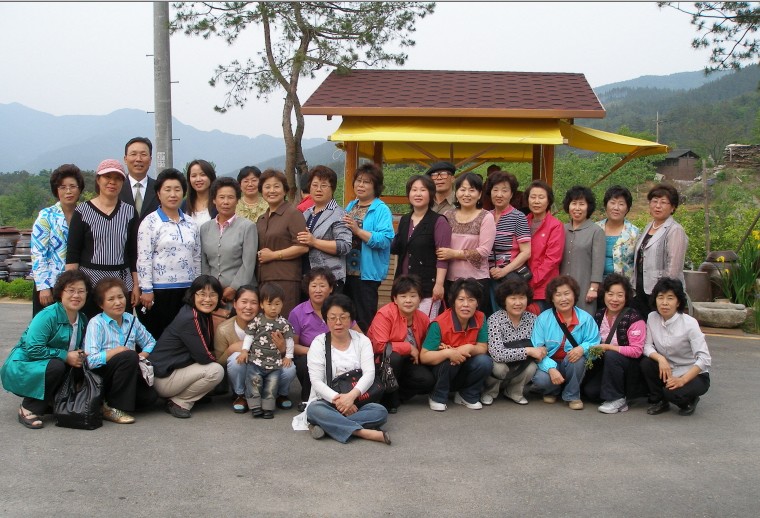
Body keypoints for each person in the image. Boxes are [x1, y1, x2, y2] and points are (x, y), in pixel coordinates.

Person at [1, 270, 90, 429]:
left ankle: (50, 400)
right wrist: (65, 356)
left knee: (80, 364)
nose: (76, 295)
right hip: (24, 365)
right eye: (71, 290)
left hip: (50, 364)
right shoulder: (47, 316)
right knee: (57, 365)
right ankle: (28, 408)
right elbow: (33, 349)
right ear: (61, 292)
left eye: (81, 291)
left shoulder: (82, 319)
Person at [305, 294, 391, 445]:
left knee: (380, 411)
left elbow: (369, 374)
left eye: (343, 317)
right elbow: (316, 381)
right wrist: (340, 401)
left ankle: (326, 425)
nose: (338, 322)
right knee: (314, 409)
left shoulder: (362, 341)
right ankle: (363, 432)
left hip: (358, 400)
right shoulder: (318, 343)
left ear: (351, 319)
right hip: (329, 401)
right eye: (332, 318)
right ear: (326, 320)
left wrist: (351, 397)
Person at [66, 159, 139, 319]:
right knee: (90, 327)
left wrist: (136, 285)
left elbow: (134, 253)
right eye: (107, 177)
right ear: (98, 180)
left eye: (117, 178)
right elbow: (72, 254)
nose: (112, 182)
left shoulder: (130, 212)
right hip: (90, 283)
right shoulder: (82, 211)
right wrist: (72, 288)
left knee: (120, 328)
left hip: (121, 283)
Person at [137, 168, 201, 339]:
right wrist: (146, 289)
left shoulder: (191, 223)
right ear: (159, 193)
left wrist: (196, 288)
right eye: (167, 189)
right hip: (159, 290)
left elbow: (196, 257)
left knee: (183, 335)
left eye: (177, 189)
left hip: (187, 290)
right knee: (159, 335)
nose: (173, 194)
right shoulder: (150, 222)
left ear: (183, 193)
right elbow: (143, 257)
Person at [149, 275, 225, 418]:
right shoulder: (191, 317)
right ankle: (179, 402)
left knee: (213, 367)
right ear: (192, 295)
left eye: (213, 295)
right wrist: (226, 357)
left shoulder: (197, 312)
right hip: (163, 378)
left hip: (171, 373)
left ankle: (191, 395)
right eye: (202, 294)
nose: (207, 299)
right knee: (216, 371)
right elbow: (203, 357)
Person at [83, 278, 158, 424]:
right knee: (127, 356)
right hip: (102, 373)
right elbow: (90, 361)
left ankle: (104, 403)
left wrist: (141, 355)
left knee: (150, 398)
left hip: (125, 372)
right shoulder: (96, 323)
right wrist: (118, 351)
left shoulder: (131, 320)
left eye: (120, 297)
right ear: (101, 304)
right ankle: (114, 407)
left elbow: (150, 342)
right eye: (111, 299)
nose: (118, 302)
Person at [289, 268, 362, 411]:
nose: (318, 290)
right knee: (304, 362)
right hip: (310, 354)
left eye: (322, 285)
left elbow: (360, 336)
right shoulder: (297, 313)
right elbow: (293, 345)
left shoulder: (340, 308)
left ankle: (346, 397)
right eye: (314, 285)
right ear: (307, 288)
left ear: (331, 288)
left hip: (340, 353)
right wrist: (316, 351)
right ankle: (308, 400)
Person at [420, 278, 493, 411]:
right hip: (441, 370)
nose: (466, 304)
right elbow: (424, 356)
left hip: (464, 365)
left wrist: (469, 347)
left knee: (485, 361)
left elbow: (482, 347)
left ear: (477, 303)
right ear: (453, 302)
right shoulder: (439, 323)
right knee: (450, 361)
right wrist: (448, 353)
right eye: (461, 299)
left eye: (471, 300)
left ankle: (467, 395)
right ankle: (437, 396)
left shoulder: (480, 317)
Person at [641, 278, 710, 416]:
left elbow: (704, 359)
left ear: (678, 302)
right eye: (660, 297)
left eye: (670, 298)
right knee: (646, 363)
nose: (664, 303)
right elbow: (647, 346)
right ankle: (660, 401)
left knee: (672, 393)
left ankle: (690, 400)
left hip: (693, 374)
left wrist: (682, 380)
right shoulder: (652, 317)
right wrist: (660, 359)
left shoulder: (690, 323)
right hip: (668, 369)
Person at [530, 275, 601, 410]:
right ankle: (552, 391)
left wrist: (583, 348)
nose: (563, 299)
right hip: (551, 361)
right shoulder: (543, 319)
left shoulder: (586, 319)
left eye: (567, 293)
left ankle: (572, 395)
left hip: (571, 363)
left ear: (574, 295)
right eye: (558, 295)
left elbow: (595, 343)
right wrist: (550, 368)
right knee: (541, 380)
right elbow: (537, 348)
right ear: (552, 298)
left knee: (578, 359)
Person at [367, 275, 435, 413]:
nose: (408, 300)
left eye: (413, 296)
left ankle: (396, 396)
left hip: (408, 362)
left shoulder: (423, 318)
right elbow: (379, 346)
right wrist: (408, 347)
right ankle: (386, 399)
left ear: (420, 299)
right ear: (395, 299)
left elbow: (426, 345)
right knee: (394, 357)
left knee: (427, 380)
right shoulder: (385, 314)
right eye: (403, 296)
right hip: (381, 362)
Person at [583, 273, 646, 414]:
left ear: (626, 297)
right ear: (604, 295)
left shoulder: (634, 318)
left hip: (629, 367)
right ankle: (612, 393)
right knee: (591, 392)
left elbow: (637, 351)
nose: (614, 299)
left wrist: (608, 347)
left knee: (612, 355)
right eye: (610, 294)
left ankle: (617, 398)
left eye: (620, 295)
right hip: (607, 367)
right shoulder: (599, 315)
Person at [343, 163, 394, 332]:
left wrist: (358, 231)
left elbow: (385, 239)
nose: (361, 185)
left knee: (364, 319)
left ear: (375, 186)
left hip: (366, 275)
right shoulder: (351, 206)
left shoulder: (381, 209)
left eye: (366, 182)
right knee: (346, 317)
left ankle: (367, 348)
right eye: (358, 181)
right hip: (346, 272)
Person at [437, 172, 496, 316]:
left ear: (479, 194)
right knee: (451, 320)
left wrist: (454, 253)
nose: (466, 194)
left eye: (472, 190)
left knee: (476, 321)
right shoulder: (447, 215)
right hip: (450, 280)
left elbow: (484, 251)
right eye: (462, 189)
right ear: (456, 193)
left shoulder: (486, 217)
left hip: (477, 281)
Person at [391, 174, 451, 317]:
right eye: (414, 190)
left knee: (424, 325)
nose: (418, 194)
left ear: (431, 194)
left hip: (427, 287)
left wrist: (439, 284)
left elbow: (442, 257)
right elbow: (397, 248)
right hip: (403, 287)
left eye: (423, 190)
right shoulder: (405, 220)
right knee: (402, 326)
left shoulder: (439, 221)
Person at [31, 164, 85, 316]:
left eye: (72, 186)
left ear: (79, 189)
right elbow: (38, 253)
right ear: (56, 190)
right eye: (62, 187)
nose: (68, 191)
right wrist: (43, 287)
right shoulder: (46, 216)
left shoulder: (85, 214)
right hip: (50, 285)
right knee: (47, 325)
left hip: (76, 287)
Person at [483, 278, 545, 406]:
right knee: (498, 367)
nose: (518, 303)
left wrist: (542, 350)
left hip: (520, 364)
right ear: (504, 300)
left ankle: (514, 392)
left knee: (532, 367)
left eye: (522, 298)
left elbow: (540, 345)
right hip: (500, 362)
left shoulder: (533, 319)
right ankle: (489, 392)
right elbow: (497, 354)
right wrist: (527, 351)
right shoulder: (495, 320)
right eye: (512, 298)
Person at [256, 168, 309, 317]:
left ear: (285, 190)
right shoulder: (261, 219)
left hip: (286, 280)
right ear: (261, 191)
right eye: (267, 187)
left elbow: (303, 247)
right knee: (266, 324)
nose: (272, 191)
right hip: (264, 281)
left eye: (276, 186)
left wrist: (274, 255)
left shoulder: (293, 214)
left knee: (284, 323)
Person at [631, 183, 688, 319]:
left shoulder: (675, 230)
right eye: (654, 201)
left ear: (673, 207)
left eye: (663, 202)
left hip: (660, 292)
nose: (657, 206)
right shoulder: (649, 226)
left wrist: (663, 294)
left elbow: (673, 269)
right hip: (641, 289)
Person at [238, 283, 294, 419]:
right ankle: (255, 406)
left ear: (282, 304)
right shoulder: (257, 320)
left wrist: (288, 356)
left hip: (274, 363)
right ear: (262, 305)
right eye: (269, 304)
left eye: (277, 304)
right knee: (254, 382)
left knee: (271, 386)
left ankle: (268, 408)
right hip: (256, 361)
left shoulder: (284, 324)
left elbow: (289, 340)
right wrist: (244, 350)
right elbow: (249, 336)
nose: (273, 308)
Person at [200, 177, 258, 305]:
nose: (225, 202)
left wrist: (233, 288)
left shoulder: (247, 227)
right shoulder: (205, 228)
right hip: (213, 295)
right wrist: (211, 288)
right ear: (214, 200)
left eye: (230, 197)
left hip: (242, 294)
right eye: (221, 197)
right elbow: (204, 263)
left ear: (237, 200)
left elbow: (248, 264)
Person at [297, 165, 352, 292]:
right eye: (315, 185)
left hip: (329, 279)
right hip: (308, 278)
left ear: (333, 189)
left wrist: (314, 241)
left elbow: (345, 246)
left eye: (324, 185)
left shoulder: (339, 214)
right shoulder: (306, 213)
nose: (318, 189)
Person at [486, 171, 531, 312]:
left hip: (509, 278)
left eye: (504, 190)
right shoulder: (486, 216)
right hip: (488, 277)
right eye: (495, 190)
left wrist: (504, 271)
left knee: (507, 314)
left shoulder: (518, 217)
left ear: (511, 194)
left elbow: (526, 252)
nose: (499, 195)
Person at [560, 185, 606, 315]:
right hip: (561, 288)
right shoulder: (562, 229)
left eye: (582, 204)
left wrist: (593, 288)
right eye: (574, 203)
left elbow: (598, 263)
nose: (577, 208)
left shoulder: (596, 231)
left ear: (588, 207)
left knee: (583, 319)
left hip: (584, 287)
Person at [524, 180, 564, 312]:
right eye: (533, 197)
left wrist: (532, 281)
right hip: (521, 285)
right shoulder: (523, 221)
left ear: (548, 201)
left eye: (541, 197)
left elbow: (552, 259)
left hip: (543, 288)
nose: (536, 201)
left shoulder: (555, 225)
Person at [597, 185, 639, 278]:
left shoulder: (634, 233)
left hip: (623, 283)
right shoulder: (595, 229)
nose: (616, 208)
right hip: (596, 283)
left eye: (621, 204)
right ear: (605, 205)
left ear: (627, 209)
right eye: (612, 203)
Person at [119, 137, 158, 221]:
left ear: (150, 160)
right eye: (133, 154)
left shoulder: (159, 189)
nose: (138, 159)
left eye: (143, 154)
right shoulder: (116, 188)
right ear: (125, 159)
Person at [181, 159, 218, 226]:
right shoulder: (184, 204)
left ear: (211, 177)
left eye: (203, 175)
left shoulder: (219, 203)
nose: (198, 179)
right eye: (194, 176)